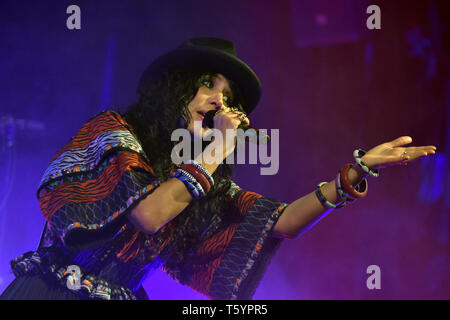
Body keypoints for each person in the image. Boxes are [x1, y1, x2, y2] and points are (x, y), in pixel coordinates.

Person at [0, 37, 436, 300]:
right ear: (176, 88)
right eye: (209, 84)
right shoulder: (113, 131)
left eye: (228, 98)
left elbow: (280, 222)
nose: (217, 101)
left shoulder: (201, 180)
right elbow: (149, 215)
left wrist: (354, 173)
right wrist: (222, 145)